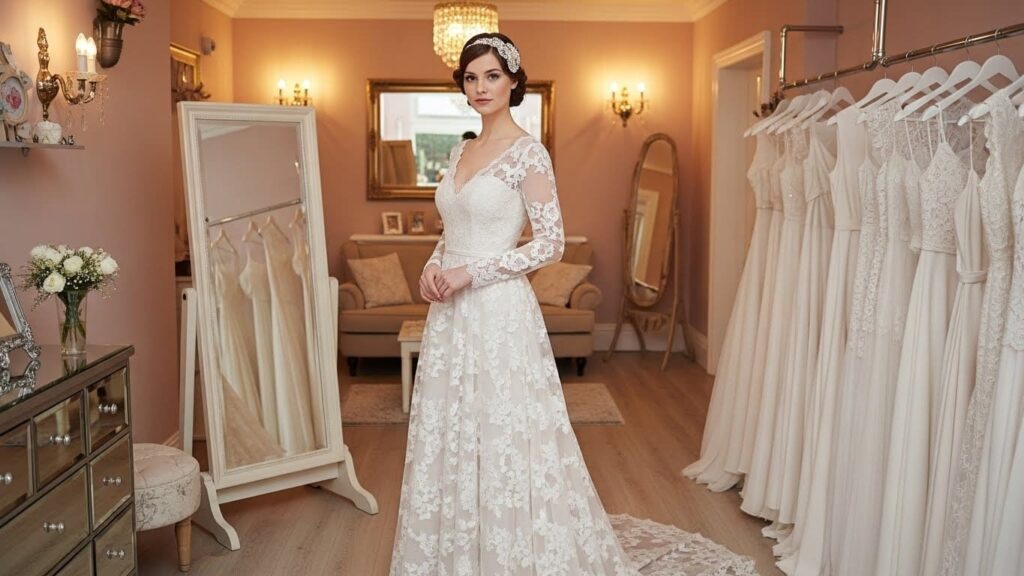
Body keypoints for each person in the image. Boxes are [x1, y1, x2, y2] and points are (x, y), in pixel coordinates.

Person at [388, 32, 637, 575]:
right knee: (452, 428)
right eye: (471, 78)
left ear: (514, 82)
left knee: (503, 430)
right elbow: (451, 231)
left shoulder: (528, 153)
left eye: (492, 76)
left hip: (498, 312)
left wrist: (470, 272)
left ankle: (511, 552)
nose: (480, 87)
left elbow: (550, 244)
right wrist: (432, 265)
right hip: (449, 313)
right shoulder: (460, 150)